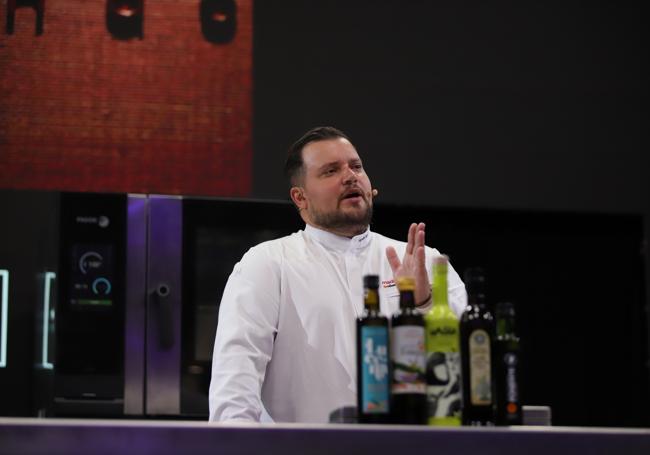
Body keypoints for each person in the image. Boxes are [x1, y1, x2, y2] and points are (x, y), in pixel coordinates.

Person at [209, 126, 466, 423]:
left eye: (356, 166)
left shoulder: (424, 260)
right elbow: (234, 391)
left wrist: (423, 303)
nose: (350, 176)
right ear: (300, 198)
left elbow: (463, 370)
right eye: (331, 171)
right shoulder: (268, 264)